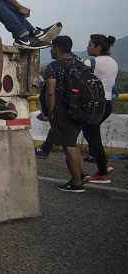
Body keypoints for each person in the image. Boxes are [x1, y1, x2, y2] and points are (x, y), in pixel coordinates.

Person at [45, 36, 88, 192]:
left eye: (51, 47)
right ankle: (81, 174)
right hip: (80, 110)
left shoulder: (54, 67)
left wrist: (50, 112)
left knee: (68, 147)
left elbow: (50, 92)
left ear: (56, 48)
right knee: (73, 144)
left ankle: (76, 182)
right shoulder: (79, 64)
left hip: (62, 112)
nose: (50, 50)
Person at [81, 34, 118, 183]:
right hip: (107, 103)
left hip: (95, 104)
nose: (87, 47)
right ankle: (102, 163)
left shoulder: (91, 62)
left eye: (90, 45)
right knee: (87, 129)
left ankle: (103, 173)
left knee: (94, 137)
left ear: (98, 47)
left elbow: (79, 79)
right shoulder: (113, 62)